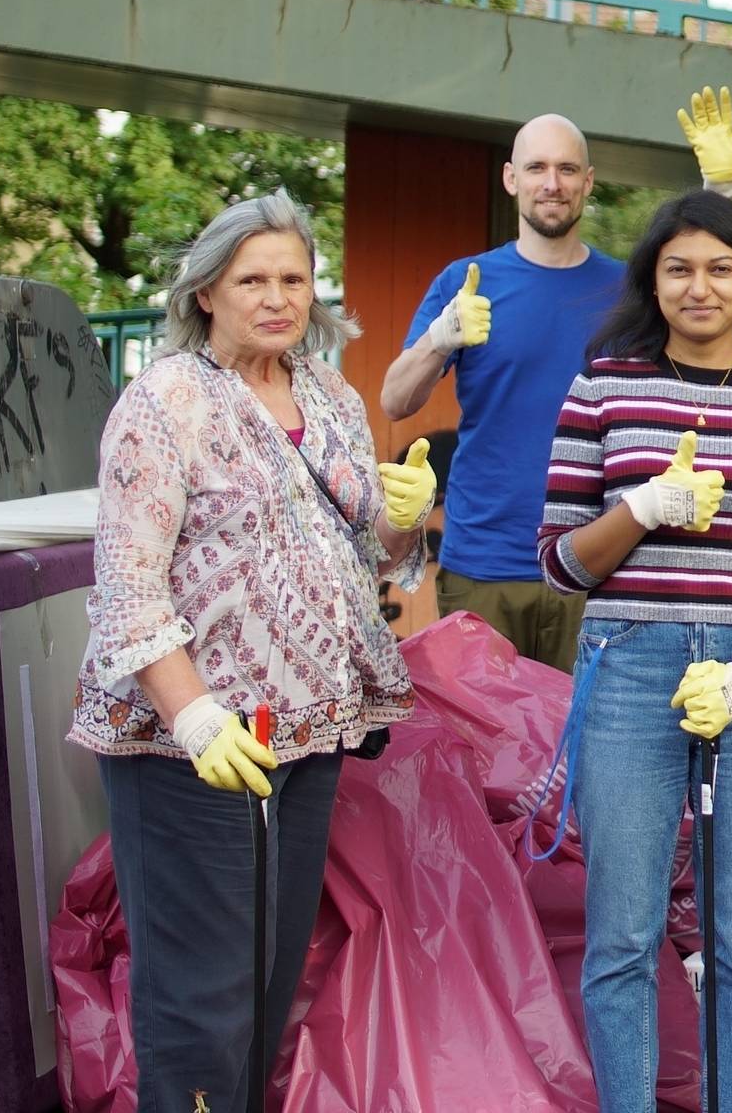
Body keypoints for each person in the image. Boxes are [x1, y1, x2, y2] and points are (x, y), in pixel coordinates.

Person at [72, 191, 428, 1110]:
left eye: (294, 279)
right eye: (252, 280)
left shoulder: (328, 393)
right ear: (206, 292)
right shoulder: (165, 401)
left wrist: (404, 516)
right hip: (189, 745)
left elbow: (370, 553)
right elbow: (127, 585)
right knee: (202, 997)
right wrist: (194, 718)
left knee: (269, 981)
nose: (277, 298)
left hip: (303, 736)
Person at [535, 191, 732, 1113]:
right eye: (679, 268)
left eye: (720, 268)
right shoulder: (602, 387)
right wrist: (640, 510)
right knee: (623, 935)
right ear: (653, 281)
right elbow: (557, 563)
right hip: (627, 669)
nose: (699, 286)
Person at [382, 113, 624, 670]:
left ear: (588, 181)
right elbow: (395, 400)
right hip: (484, 562)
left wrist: (718, 193)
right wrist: (441, 337)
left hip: (595, 562)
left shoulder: (626, 289)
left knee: (583, 751)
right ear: (511, 179)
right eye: (537, 168)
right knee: (484, 750)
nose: (552, 183)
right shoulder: (465, 281)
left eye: (566, 169)